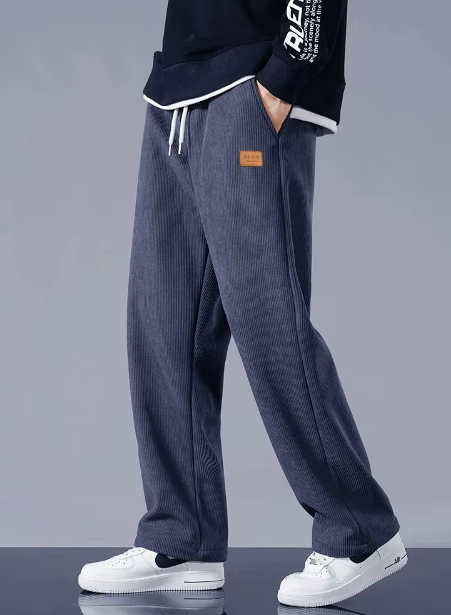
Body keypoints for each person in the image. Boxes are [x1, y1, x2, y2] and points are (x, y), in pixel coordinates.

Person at [79, 0, 407, 606]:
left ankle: (359, 531)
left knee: (268, 319)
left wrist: (288, 71)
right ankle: (182, 536)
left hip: (253, 82)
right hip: (175, 89)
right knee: (162, 325)